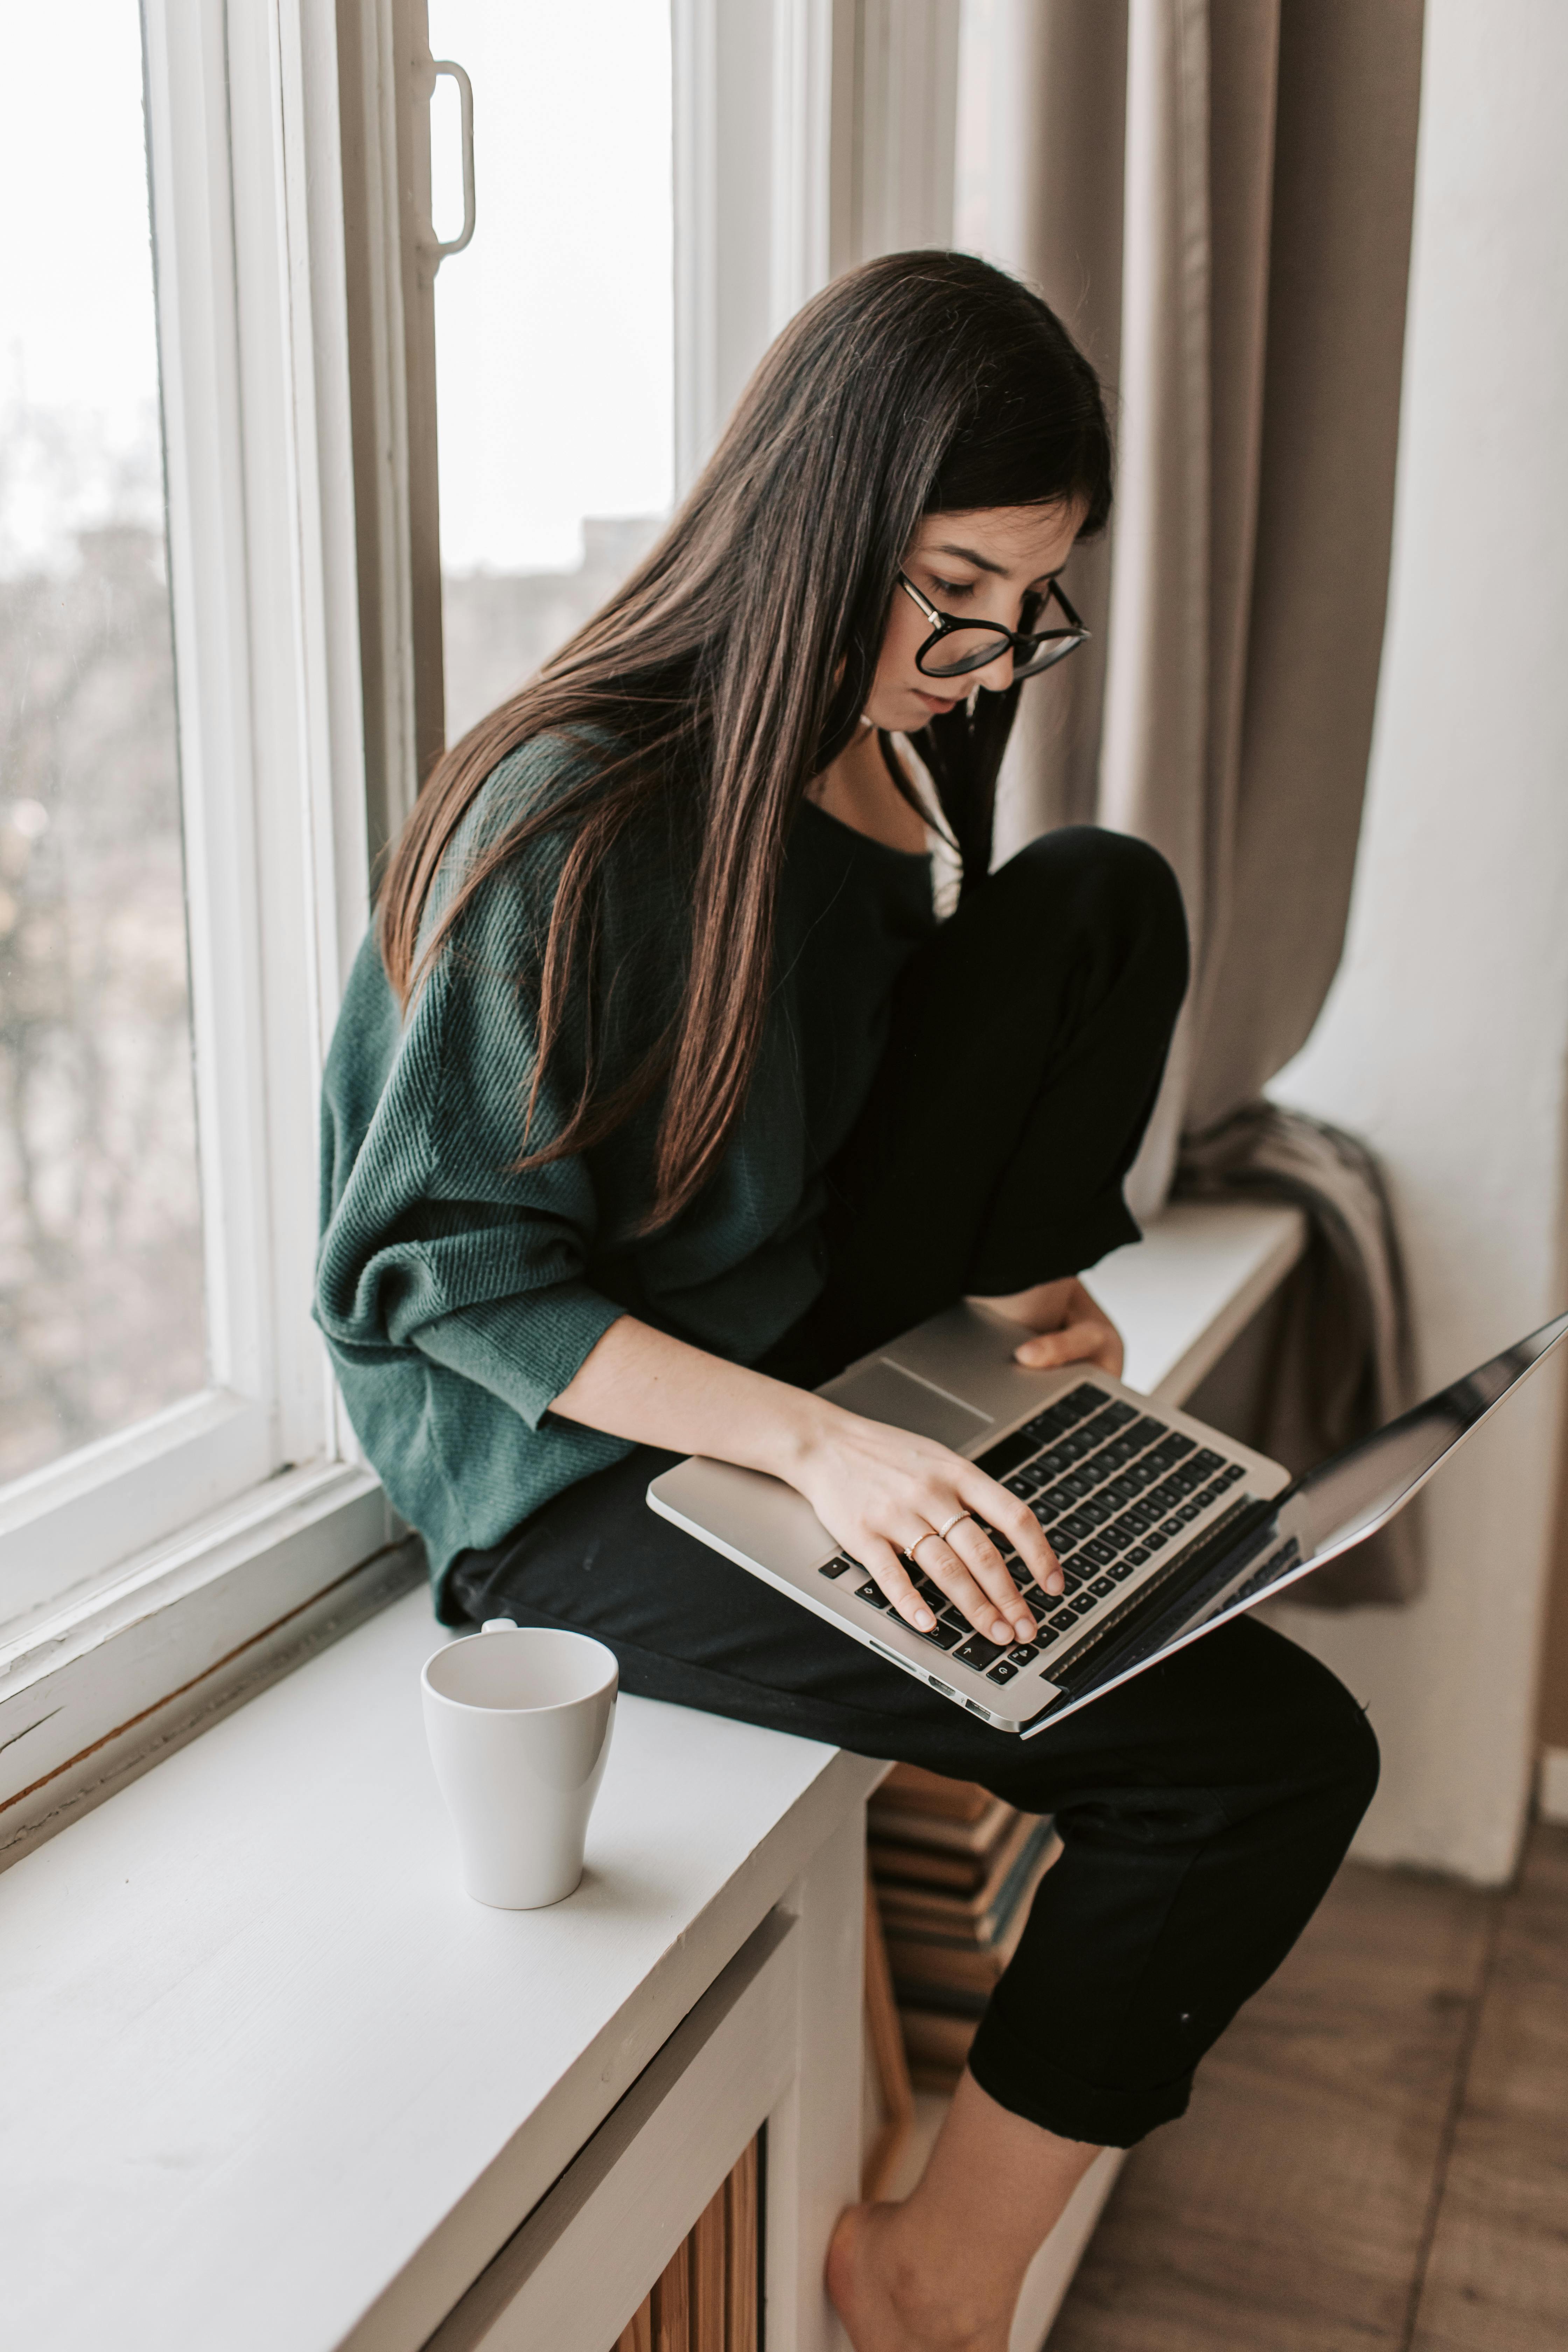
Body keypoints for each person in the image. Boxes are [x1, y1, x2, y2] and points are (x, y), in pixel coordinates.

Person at [316, 251, 1378, 2352]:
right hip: (576, 1478)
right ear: (822, 523)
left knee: (1104, 894)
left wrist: (1018, 1309)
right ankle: (929, 2281)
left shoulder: (886, 749)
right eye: (958, 596)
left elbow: (874, 1090)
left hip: (795, 1355)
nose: (991, 662)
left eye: (1032, 611)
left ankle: (988, 1369)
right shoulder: (576, 810)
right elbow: (428, 1266)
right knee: (1258, 1764)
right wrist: (814, 1440)